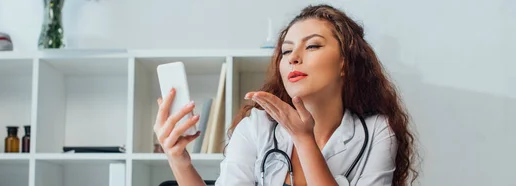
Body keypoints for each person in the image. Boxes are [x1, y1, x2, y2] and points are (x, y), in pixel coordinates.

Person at [153, 4, 419, 186]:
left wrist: (304, 139)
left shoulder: (376, 133)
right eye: (286, 51)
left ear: (345, 63)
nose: (294, 58)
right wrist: (179, 159)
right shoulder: (256, 127)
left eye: (312, 45)